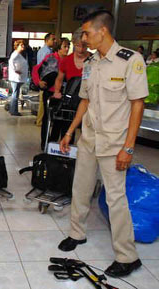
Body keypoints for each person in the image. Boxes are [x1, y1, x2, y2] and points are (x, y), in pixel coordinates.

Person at [58, 10, 148, 278]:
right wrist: (69, 132)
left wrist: (128, 147)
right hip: (89, 138)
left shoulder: (131, 61)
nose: (83, 38)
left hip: (114, 143)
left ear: (103, 31)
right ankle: (77, 233)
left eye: (86, 33)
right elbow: (84, 101)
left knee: (116, 197)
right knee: (80, 188)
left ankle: (127, 256)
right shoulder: (91, 63)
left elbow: (137, 105)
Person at [51, 28, 90, 143]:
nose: (81, 49)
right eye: (78, 45)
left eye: (84, 46)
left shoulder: (93, 60)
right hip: (71, 100)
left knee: (87, 131)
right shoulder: (66, 60)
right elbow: (59, 78)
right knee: (66, 127)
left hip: (88, 100)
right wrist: (57, 91)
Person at [32, 37, 70, 150]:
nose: (67, 49)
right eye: (65, 46)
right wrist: (38, 82)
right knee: (47, 118)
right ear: (59, 48)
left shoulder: (69, 61)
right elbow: (35, 70)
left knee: (59, 120)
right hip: (49, 92)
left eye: (68, 46)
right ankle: (45, 142)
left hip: (63, 93)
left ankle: (54, 142)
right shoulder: (50, 58)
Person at [36, 33, 56, 126]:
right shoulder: (47, 52)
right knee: (43, 101)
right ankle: (40, 121)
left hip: (44, 77)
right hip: (45, 78)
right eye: (53, 39)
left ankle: (41, 120)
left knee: (43, 100)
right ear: (47, 40)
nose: (54, 41)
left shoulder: (43, 50)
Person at [8, 40, 28, 116]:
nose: (23, 46)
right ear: (17, 46)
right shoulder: (15, 54)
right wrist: (15, 70)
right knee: (15, 95)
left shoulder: (19, 54)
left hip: (18, 78)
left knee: (15, 94)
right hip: (15, 78)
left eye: (23, 45)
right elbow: (11, 61)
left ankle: (12, 109)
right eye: (21, 45)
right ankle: (13, 111)